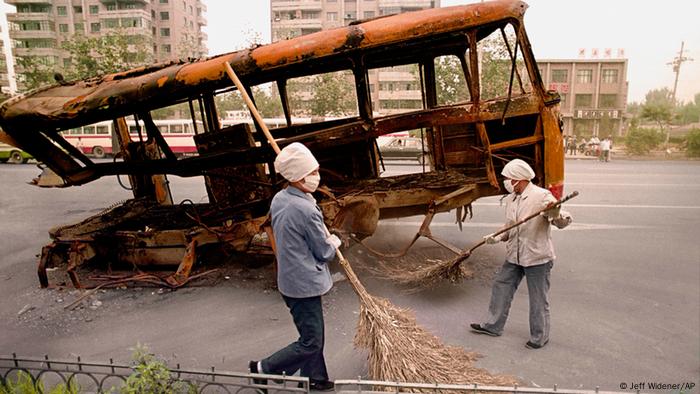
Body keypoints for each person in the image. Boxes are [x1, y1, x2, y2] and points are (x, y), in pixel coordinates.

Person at [249, 142, 340, 392]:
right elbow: (323, 252)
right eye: (311, 173)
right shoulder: (304, 209)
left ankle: (315, 379)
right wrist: (334, 240)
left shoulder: (282, 197)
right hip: (304, 284)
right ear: (297, 177)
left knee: (313, 335)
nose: (316, 176)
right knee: (311, 341)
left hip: (290, 280)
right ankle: (263, 369)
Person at [470, 159, 572, 349]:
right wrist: (498, 236)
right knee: (501, 287)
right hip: (514, 256)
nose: (506, 183)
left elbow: (562, 221)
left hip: (537, 257)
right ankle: (493, 326)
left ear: (518, 179)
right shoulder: (512, 199)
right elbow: (510, 228)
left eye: (508, 179)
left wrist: (555, 213)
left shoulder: (541, 196)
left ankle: (539, 337)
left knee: (538, 298)